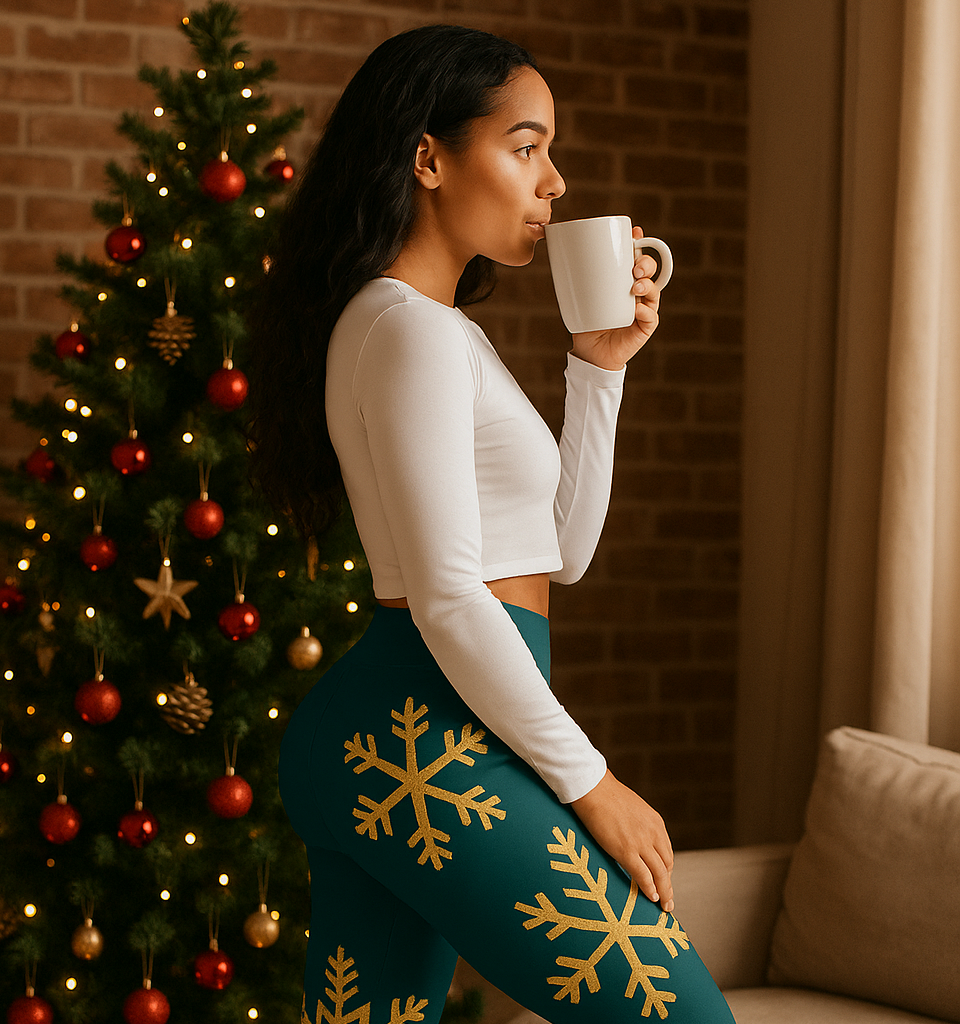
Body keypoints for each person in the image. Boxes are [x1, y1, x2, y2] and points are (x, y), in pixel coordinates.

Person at [250, 24, 735, 1024]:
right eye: (525, 146)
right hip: (417, 737)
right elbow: (446, 597)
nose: (553, 181)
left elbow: (563, 553)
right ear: (428, 158)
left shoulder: (433, 330)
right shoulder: (407, 329)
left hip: (413, 735)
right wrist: (592, 783)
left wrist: (598, 367)